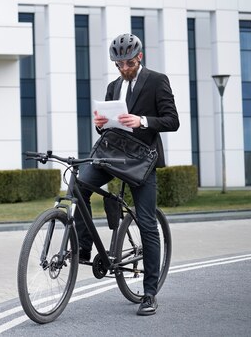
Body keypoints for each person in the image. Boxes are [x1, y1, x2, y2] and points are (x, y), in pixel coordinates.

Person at [76, 33, 180, 316]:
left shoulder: (157, 81)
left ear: (140, 57)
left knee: (147, 223)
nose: (124, 69)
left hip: (141, 161)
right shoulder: (113, 86)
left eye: (129, 63)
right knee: (79, 185)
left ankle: (149, 294)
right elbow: (109, 125)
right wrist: (100, 124)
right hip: (111, 153)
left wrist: (142, 120)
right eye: (119, 64)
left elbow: (173, 120)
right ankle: (83, 248)